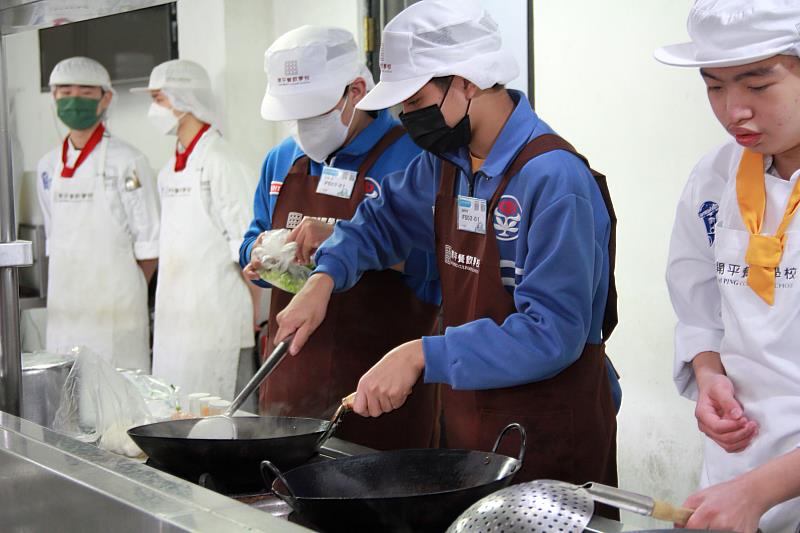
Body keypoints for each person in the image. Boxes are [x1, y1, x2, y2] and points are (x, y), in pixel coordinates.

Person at [272, 0, 621, 505]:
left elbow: (552, 333)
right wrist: (323, 278)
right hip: (472, 426)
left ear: (467, 82)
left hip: (550, 435)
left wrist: (420, 353)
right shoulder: (448, 165)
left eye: (414, 101)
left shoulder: (553, 179)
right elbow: (378, 220)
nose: (405, 118)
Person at [240, 25, 440, 450]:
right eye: (297, 116)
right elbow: (249, 241)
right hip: (290, 377)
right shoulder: (282, 159)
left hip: (380, 388)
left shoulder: (414, 159)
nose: (305, 127)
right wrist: (267, 256)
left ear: (357, 90)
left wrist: (347, 243)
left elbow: (443, 270)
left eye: (315, 112)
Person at [656, 1, 800, 530]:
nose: (733, 110)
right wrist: (708, 372)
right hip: (735, 470)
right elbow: (700, 306)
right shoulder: (715, 174)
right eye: (714, 86)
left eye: (757, 86)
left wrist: (759, 492)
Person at [132, 60, 258, 400]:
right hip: (176, 322)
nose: (153, 109)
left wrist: (259, 318)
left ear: (184, 100)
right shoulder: (170, 168)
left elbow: (249, 249)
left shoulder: (221, 161)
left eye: (159, 99)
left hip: (218, 321)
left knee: (217, 420)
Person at [37, 57, 159, 370]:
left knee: (119, 404)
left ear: (105, 98)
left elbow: (149, 244)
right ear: (54, 97)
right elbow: (54, 235)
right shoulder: (48, 166)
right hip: (65, 308)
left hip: (116, 314)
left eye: (85, 92)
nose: (73, 99)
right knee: (68, 397)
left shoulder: (129, 161)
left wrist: (123, 292)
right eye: (65, 91)